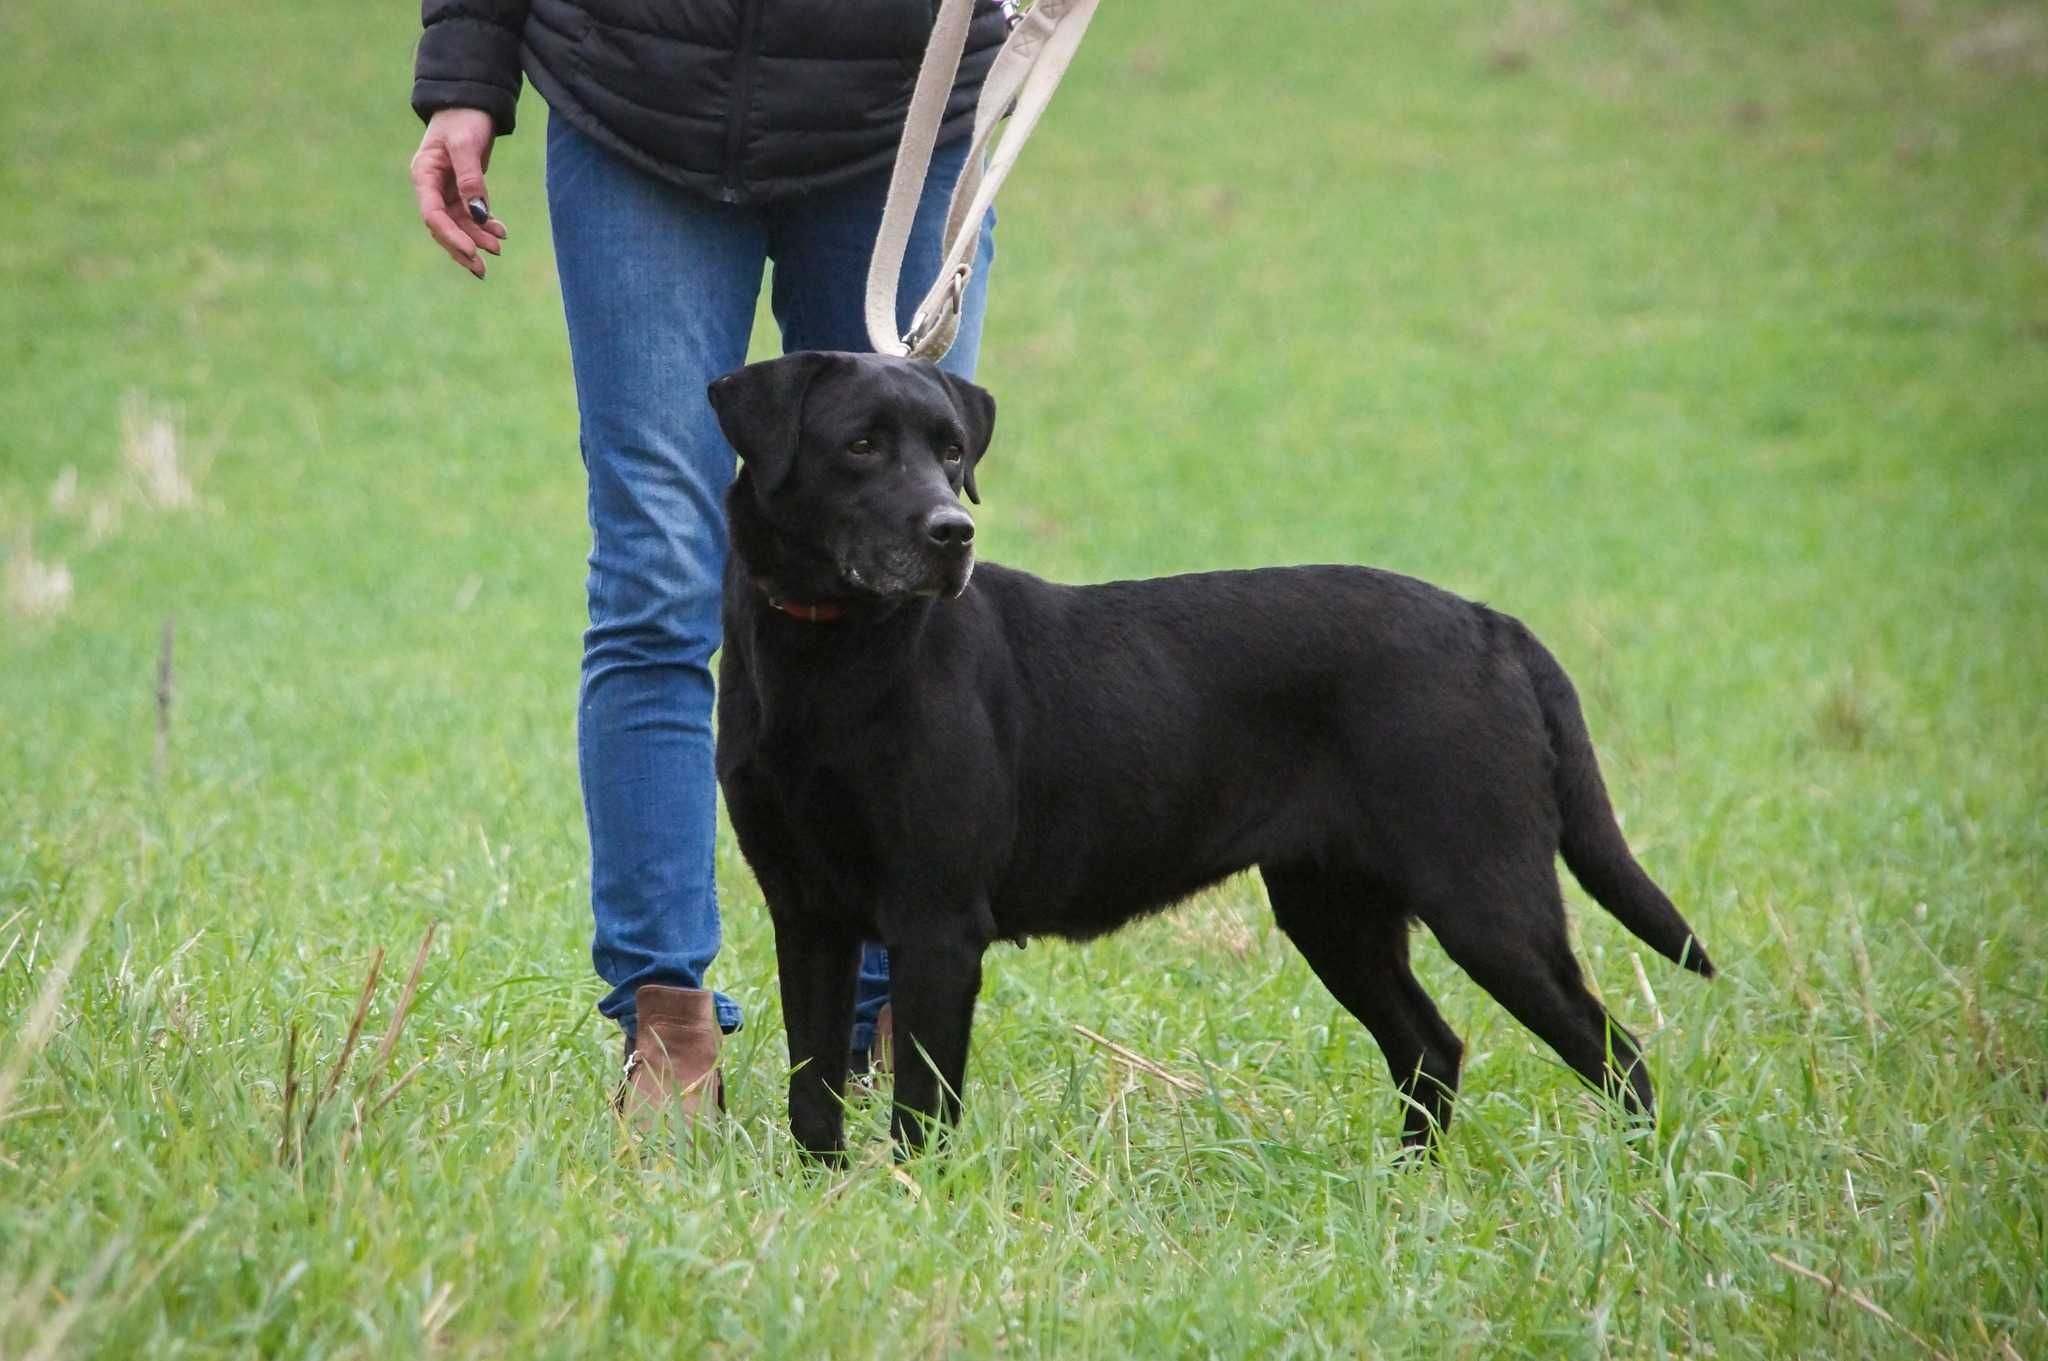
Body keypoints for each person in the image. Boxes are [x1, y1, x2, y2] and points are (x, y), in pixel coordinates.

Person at [407, 0, 1007, 1121]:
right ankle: (665, 1017)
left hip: (902, 108)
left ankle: (889, 1007)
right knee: (652, 579)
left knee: (899, 570)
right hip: (639, 99)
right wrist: (465, 74)